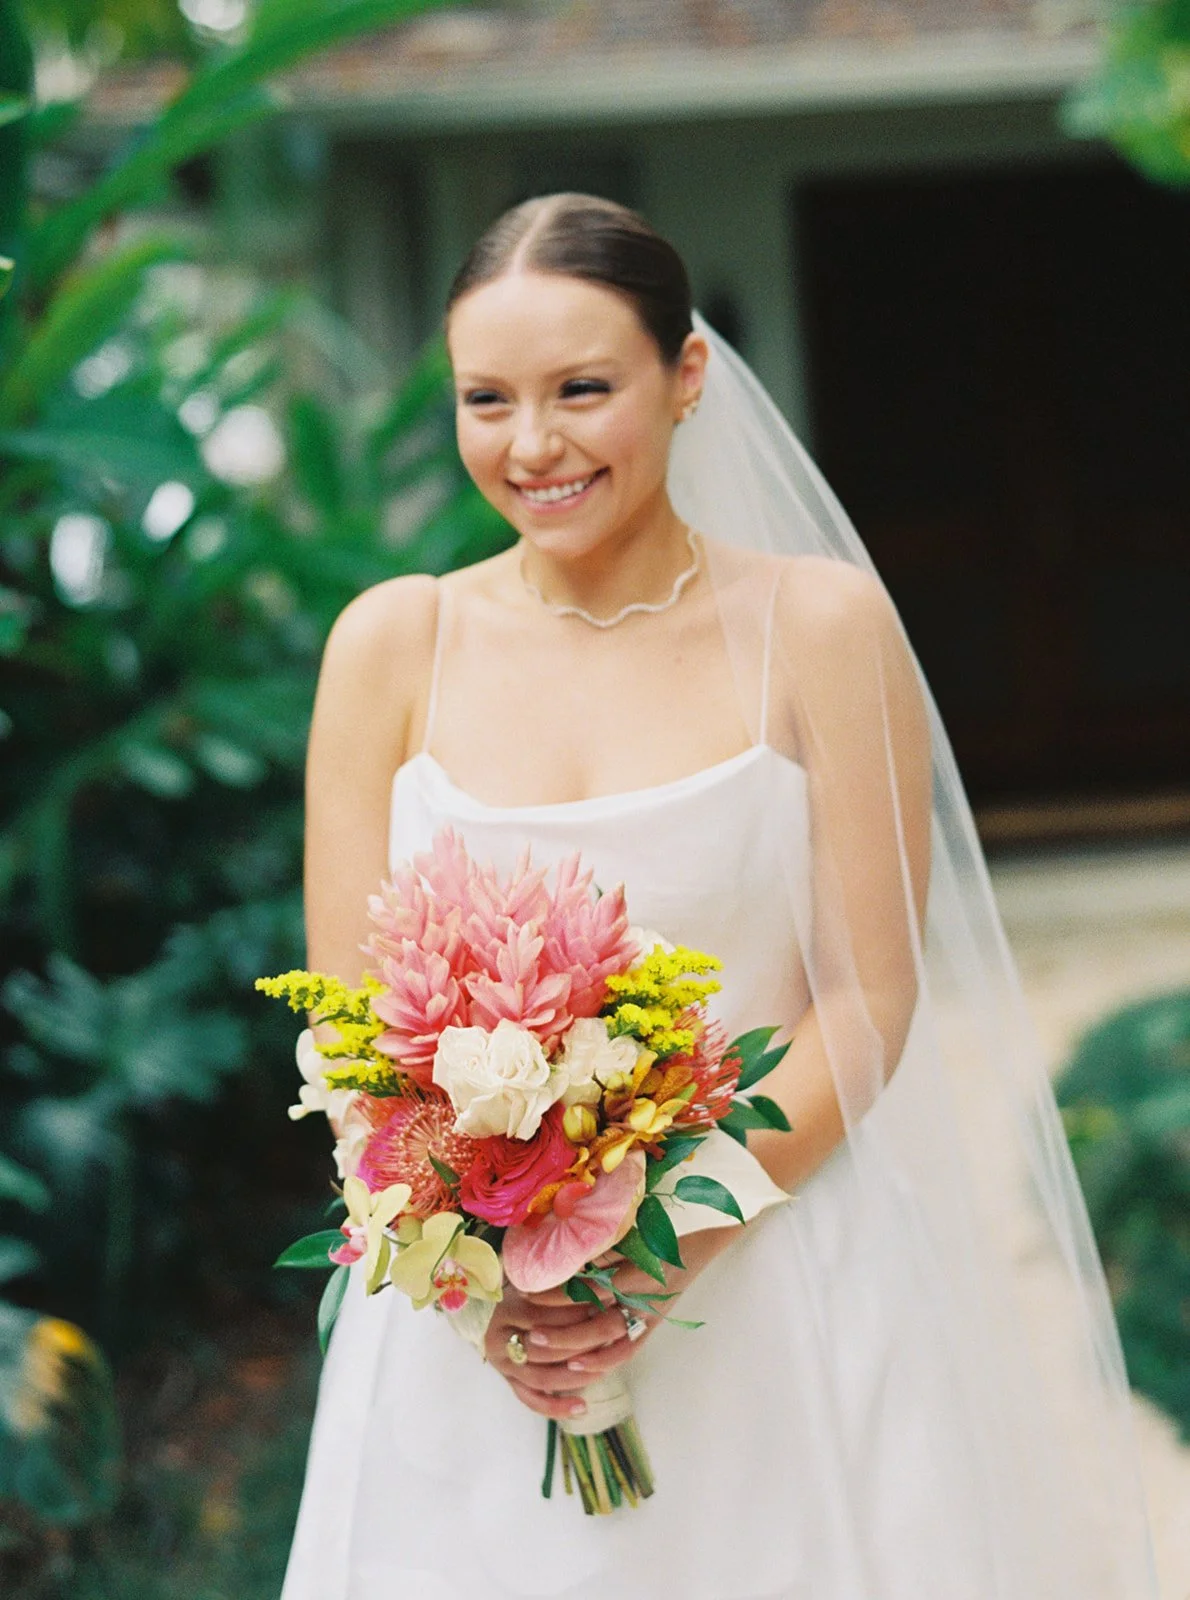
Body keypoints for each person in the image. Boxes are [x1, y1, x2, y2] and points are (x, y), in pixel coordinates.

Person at [282, 194, 1156, 1599]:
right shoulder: (393, 643)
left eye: (582, 389)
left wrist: (645, 1251)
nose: (532, 444)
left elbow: (867, 1001)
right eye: (485, 399)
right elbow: (342, 1026)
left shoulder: (815, 626)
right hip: (482, 1333)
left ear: (683, 378)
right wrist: (488, 1285)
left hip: (773, 1279)